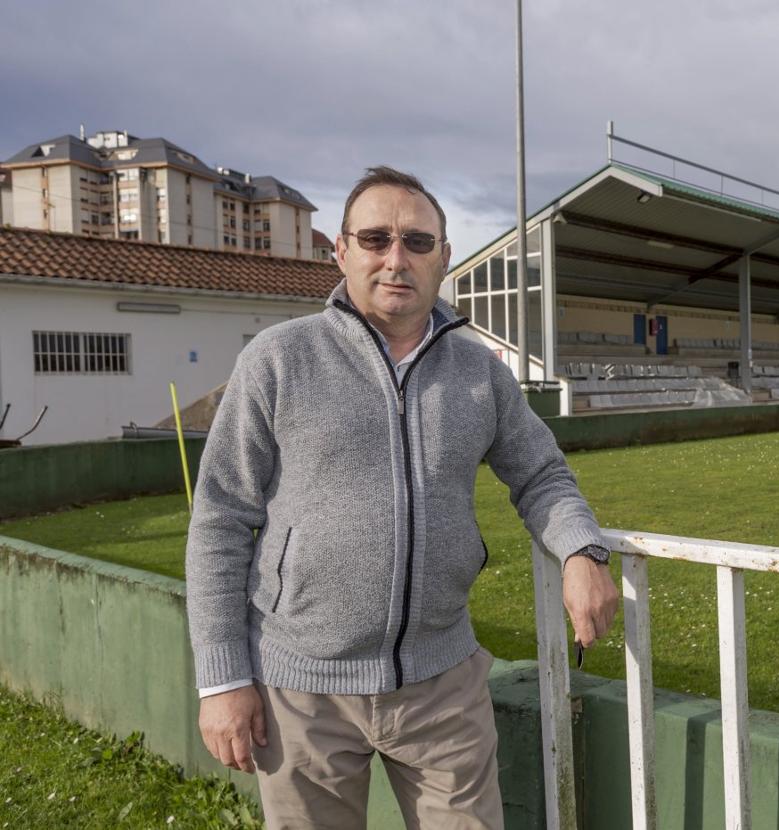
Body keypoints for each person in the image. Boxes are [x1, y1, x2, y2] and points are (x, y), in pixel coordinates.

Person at [186, 166, 618, 829]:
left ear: (443, 257)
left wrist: (581, 552)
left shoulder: (478, 372)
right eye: (376, 238)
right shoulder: (279, 359)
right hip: (302, 690)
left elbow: (541, 474)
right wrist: (222, 680)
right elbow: (220, 519)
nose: (396, 259)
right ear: (341, 250)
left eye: (417, 242)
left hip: (442, 684)